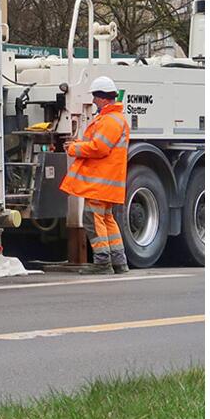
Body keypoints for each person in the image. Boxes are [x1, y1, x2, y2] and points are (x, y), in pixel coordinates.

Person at [60, 76, 131, 273]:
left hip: (101, 182)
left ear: (103, 98)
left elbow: (99, 148)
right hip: (106, 182)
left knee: (93, 218)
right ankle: (119, 262)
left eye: (95, 97)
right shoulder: (114, 119)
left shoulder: (110, 120)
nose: (93, 101)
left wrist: (74, 148)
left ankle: (102, 263)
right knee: (107, 219)